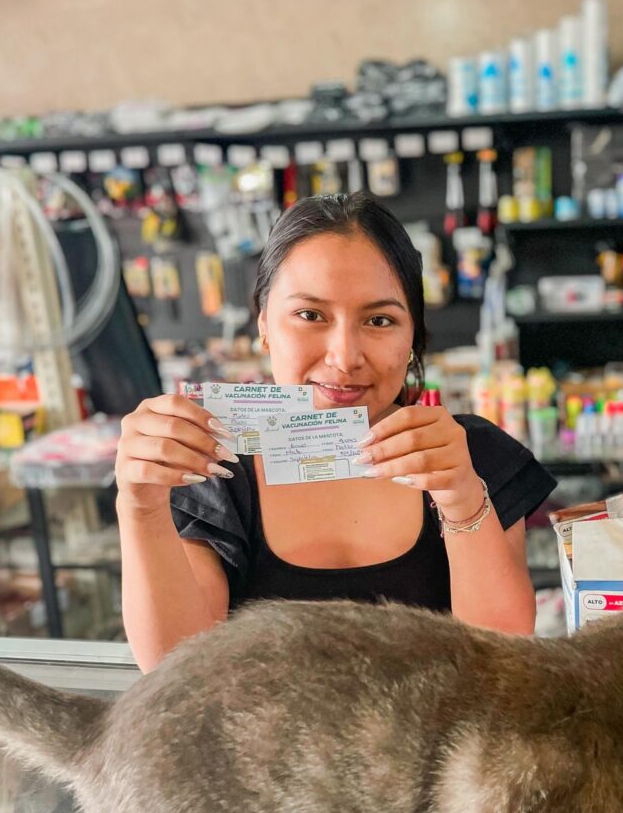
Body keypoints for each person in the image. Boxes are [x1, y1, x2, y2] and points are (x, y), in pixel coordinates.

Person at [116, 193, 556, 672]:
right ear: (264, 324)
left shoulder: (473, 456)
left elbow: (501, 657)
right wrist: (140, 506)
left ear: (413, 336)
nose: (344, 358)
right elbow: (176, 668)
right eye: (310, 315)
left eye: (379, 320)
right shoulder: (211, 464)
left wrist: (463, 497)